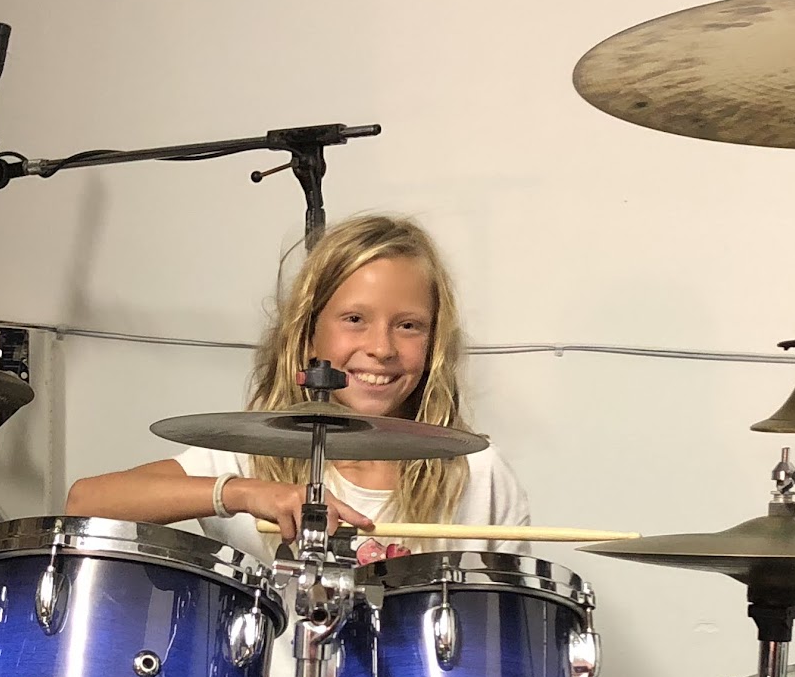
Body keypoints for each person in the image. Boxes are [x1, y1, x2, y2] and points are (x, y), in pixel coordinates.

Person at [63, 214, 528, 559]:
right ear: (308, 335)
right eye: (355, 319)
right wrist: (242, 493)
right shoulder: (249, 456)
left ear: (435, 340)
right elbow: (85, 501)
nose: (381, 347)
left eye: (408, 325)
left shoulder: (477, 472)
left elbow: (508, 634)